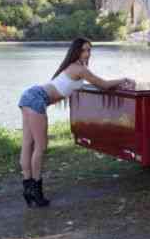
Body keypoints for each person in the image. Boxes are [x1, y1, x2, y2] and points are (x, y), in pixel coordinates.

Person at [17, 37, 135, 208]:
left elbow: (78, 86)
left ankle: (29, 189)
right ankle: (36, 190)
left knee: (28, 143)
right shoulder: (79, 70)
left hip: (30, 94)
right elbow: (103, 84)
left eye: (89, 50)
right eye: (83, 50)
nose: (87, 54)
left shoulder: (71, 67)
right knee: (40, 147)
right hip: (36, 98)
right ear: (76, 51)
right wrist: (123, 79)